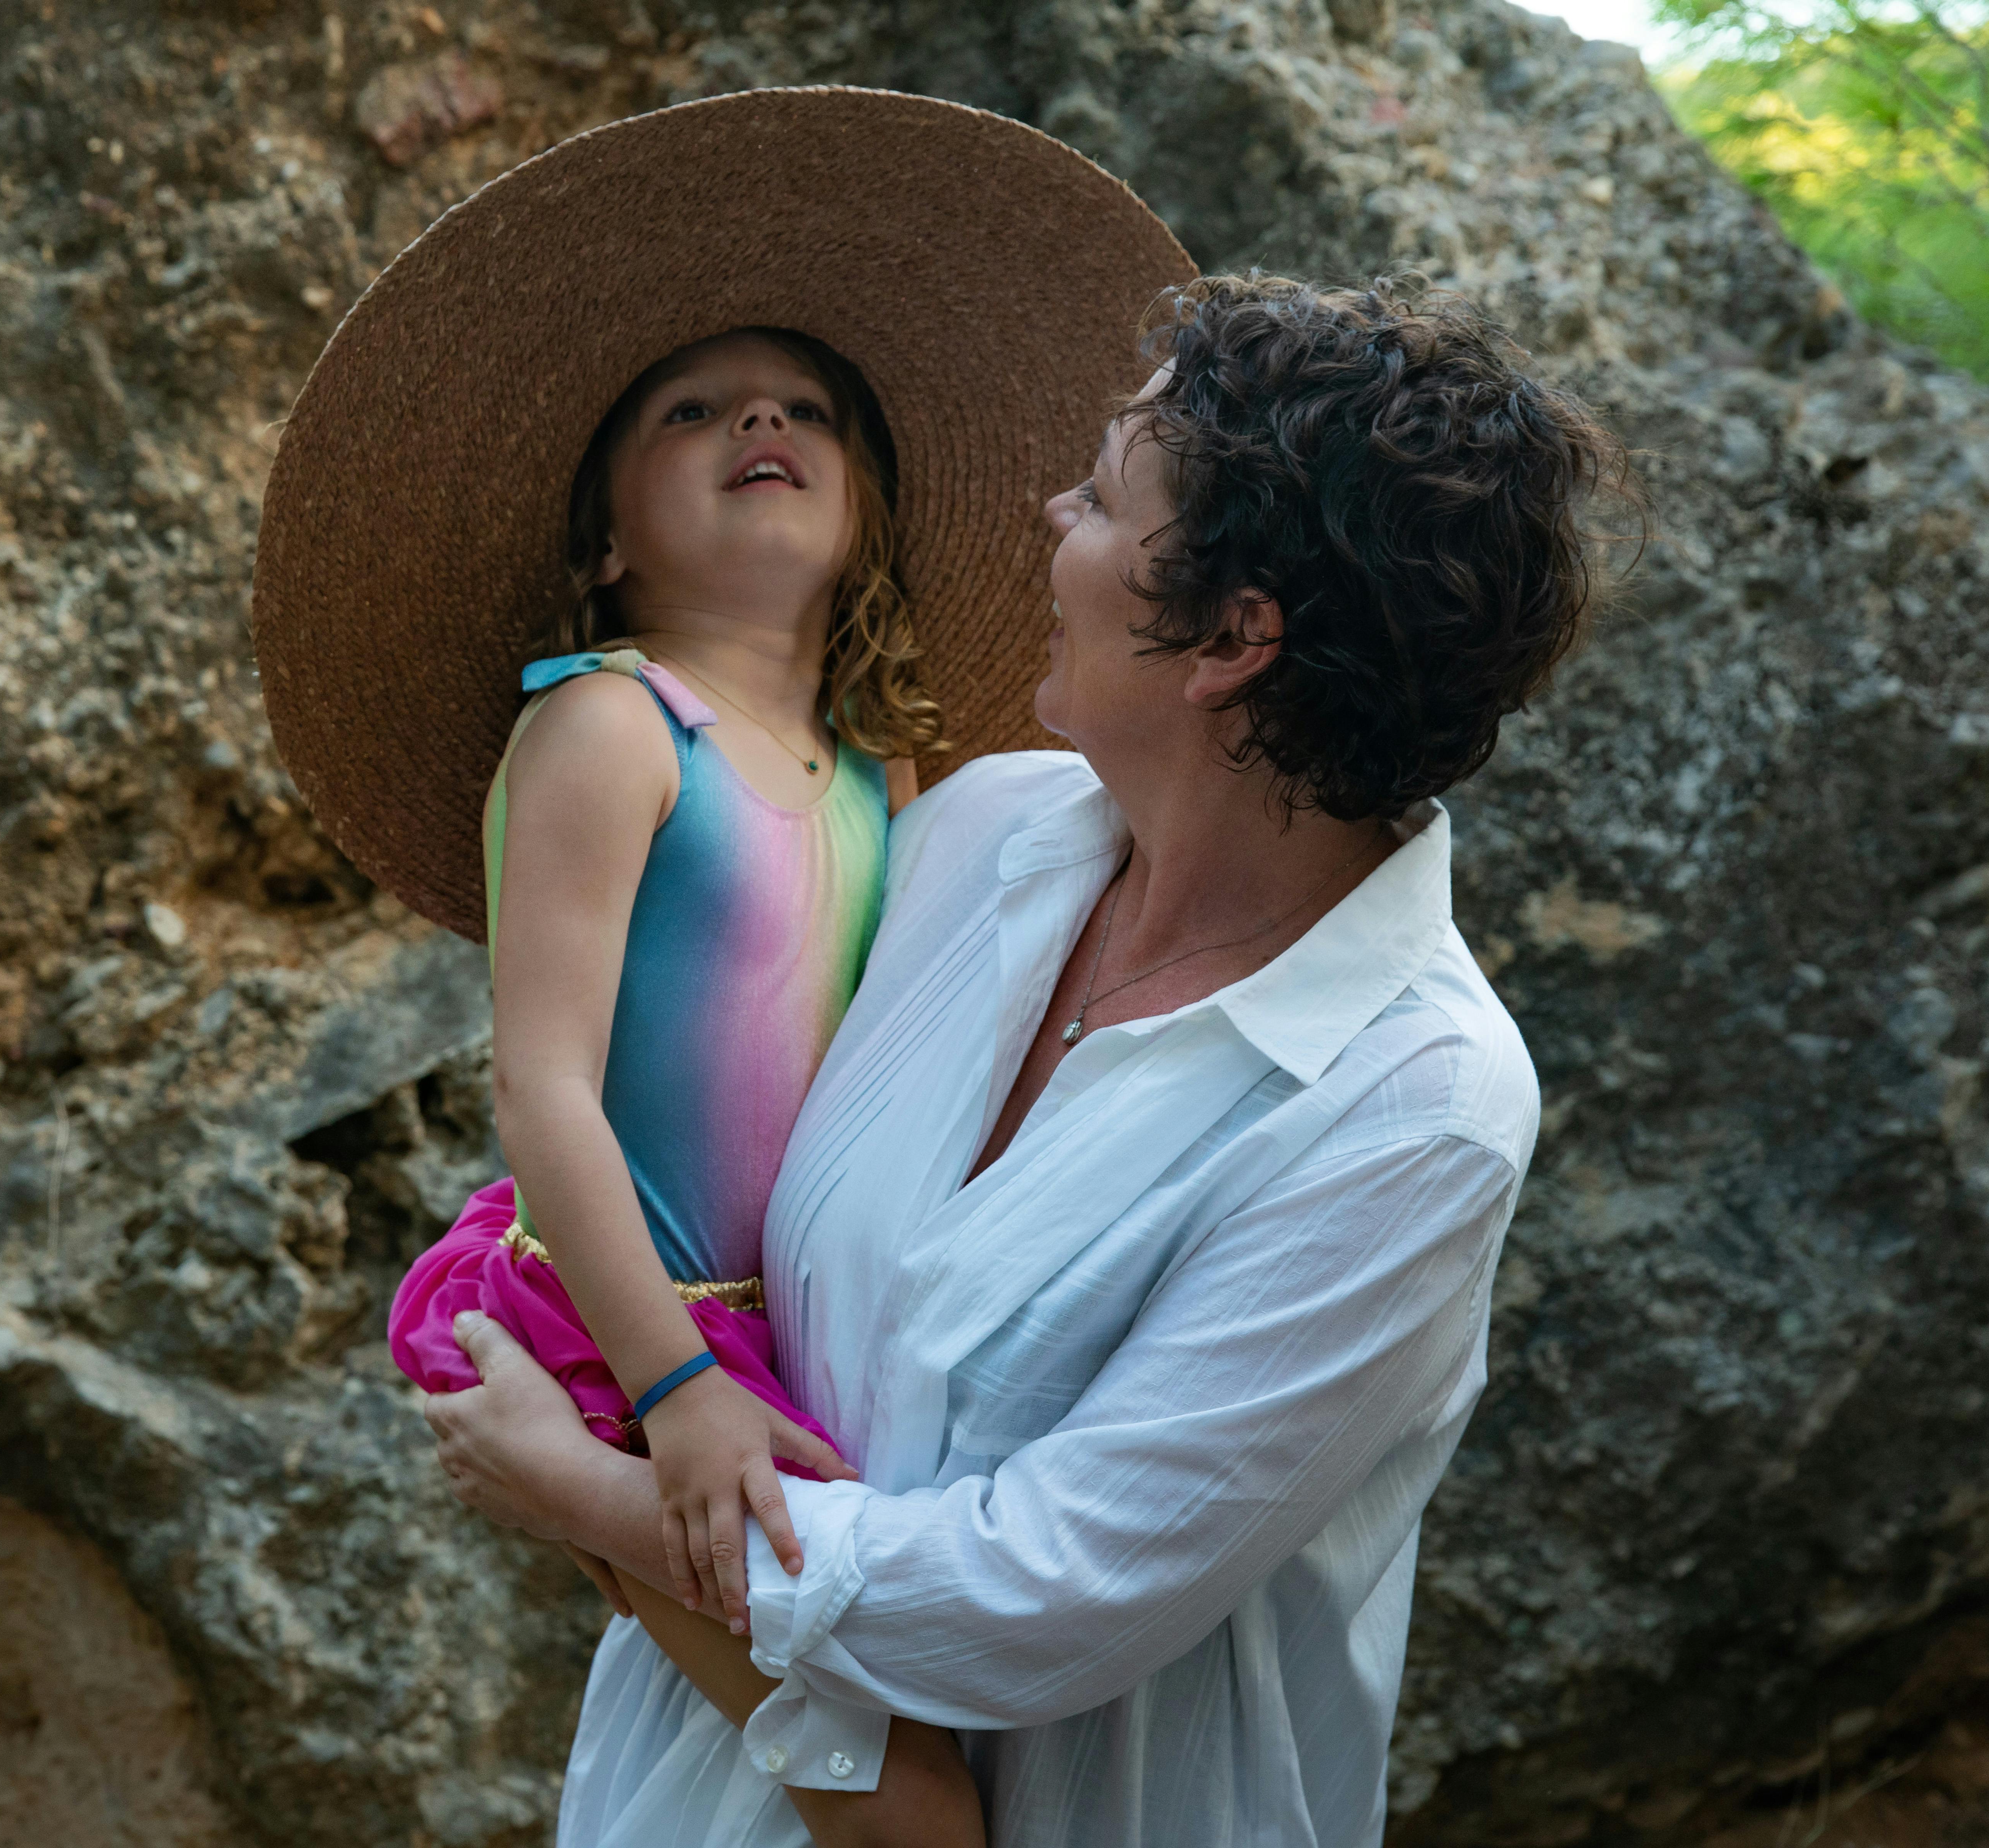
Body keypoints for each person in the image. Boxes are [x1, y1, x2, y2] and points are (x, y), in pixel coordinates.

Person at [422, 271, 1633, 1847]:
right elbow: (653, 1112)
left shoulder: (1412, 1107)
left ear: (1227, 641)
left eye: (1102, 496)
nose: (1043, 517)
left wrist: (585, 1497)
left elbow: (1032, 1601)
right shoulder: (972, 839)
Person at [249, 88, 1198, 1843]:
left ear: (871, 515)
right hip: (622, 1330)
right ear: (607, 540)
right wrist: (676, 1397)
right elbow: (539, 1083)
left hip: (800, 1338)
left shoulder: (878, 776)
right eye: (693, 411)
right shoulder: (614, 730)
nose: (760, 417)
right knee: (909, 1815)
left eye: (807, 409)